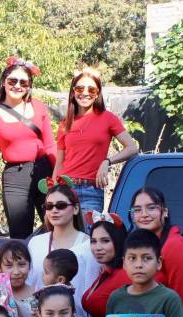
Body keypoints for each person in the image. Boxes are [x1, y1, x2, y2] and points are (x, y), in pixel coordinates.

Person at [0, 56, 56, 239]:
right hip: (15, 177)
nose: (17, 85)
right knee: (20, 237)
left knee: (56, 227)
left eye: (24, 82)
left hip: (44, 170)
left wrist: (57, 179)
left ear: (29, 86)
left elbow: (51, 145)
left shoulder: (38, 107)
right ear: (3, 82)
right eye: (12, 80)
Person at [52, 67, 138, 216]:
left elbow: (132, 148)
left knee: (88, 237)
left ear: (97, 93)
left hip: (91, 191)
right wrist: (52, 193)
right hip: (65, 189)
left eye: (91, 90)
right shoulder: (65, 124)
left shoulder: (108, 118)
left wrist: (107, 161)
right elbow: (59, 163)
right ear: (73, 91)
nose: (85, 93)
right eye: (80, 88)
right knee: (63, 238)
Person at [128, 187, 183, 317]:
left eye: (151, 207)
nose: (144, 214)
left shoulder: (176, 246)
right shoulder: (141, 246)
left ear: (165, 212)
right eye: (137, 210)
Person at [27, 182, 96, 317]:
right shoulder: (36, 243)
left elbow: (91, 291)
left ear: (76, 208)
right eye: (49, 206)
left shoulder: (90, 246)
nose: (54, 210)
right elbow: (30, 285)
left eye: (61, 205)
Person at [80, 215, 130, 317]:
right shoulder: (104, 273)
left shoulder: (126, 276)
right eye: (93, 241)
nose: (98, 248)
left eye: (105, 241)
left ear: (118, 241)